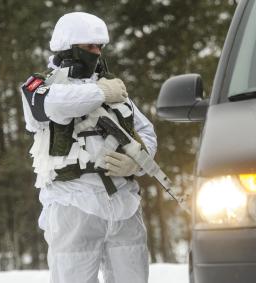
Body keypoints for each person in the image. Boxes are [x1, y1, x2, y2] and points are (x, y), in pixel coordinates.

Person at [20, 12, 157, 283]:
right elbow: (56, 105)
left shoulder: (113, 90)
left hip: (124, 204)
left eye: (100, 47)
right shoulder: (40, 88)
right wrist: (102, 93)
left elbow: (146, 131)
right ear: (67, 48)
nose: (97, 53)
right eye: (89, 47)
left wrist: (138, 160)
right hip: (73, 203)